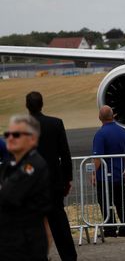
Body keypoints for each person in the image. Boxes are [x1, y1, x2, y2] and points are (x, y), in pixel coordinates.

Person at [26, 91, 78, 261]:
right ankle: (68, 256)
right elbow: (65, 155)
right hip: (54, 182)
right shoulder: (55, 124)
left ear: (27, 106)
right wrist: (67, 179)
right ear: (42, 104)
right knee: (59, 223)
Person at [0, 115, 51, 260]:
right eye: (7, 134)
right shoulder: (10, 165)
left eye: (16, 135)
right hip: (9, 243)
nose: (10, 138)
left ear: (32, 139)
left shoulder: (33, 165)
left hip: (25, 246)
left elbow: (7, 195)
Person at [91, 105, 125, 238]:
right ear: (113, 115)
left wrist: (93, 173)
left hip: (103, 177)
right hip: (119, 174)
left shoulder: (100, 134)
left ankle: (110, 227)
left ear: (100, 118)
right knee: (121, 201)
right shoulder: (123, 132)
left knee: (104, 201)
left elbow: (98, 158)